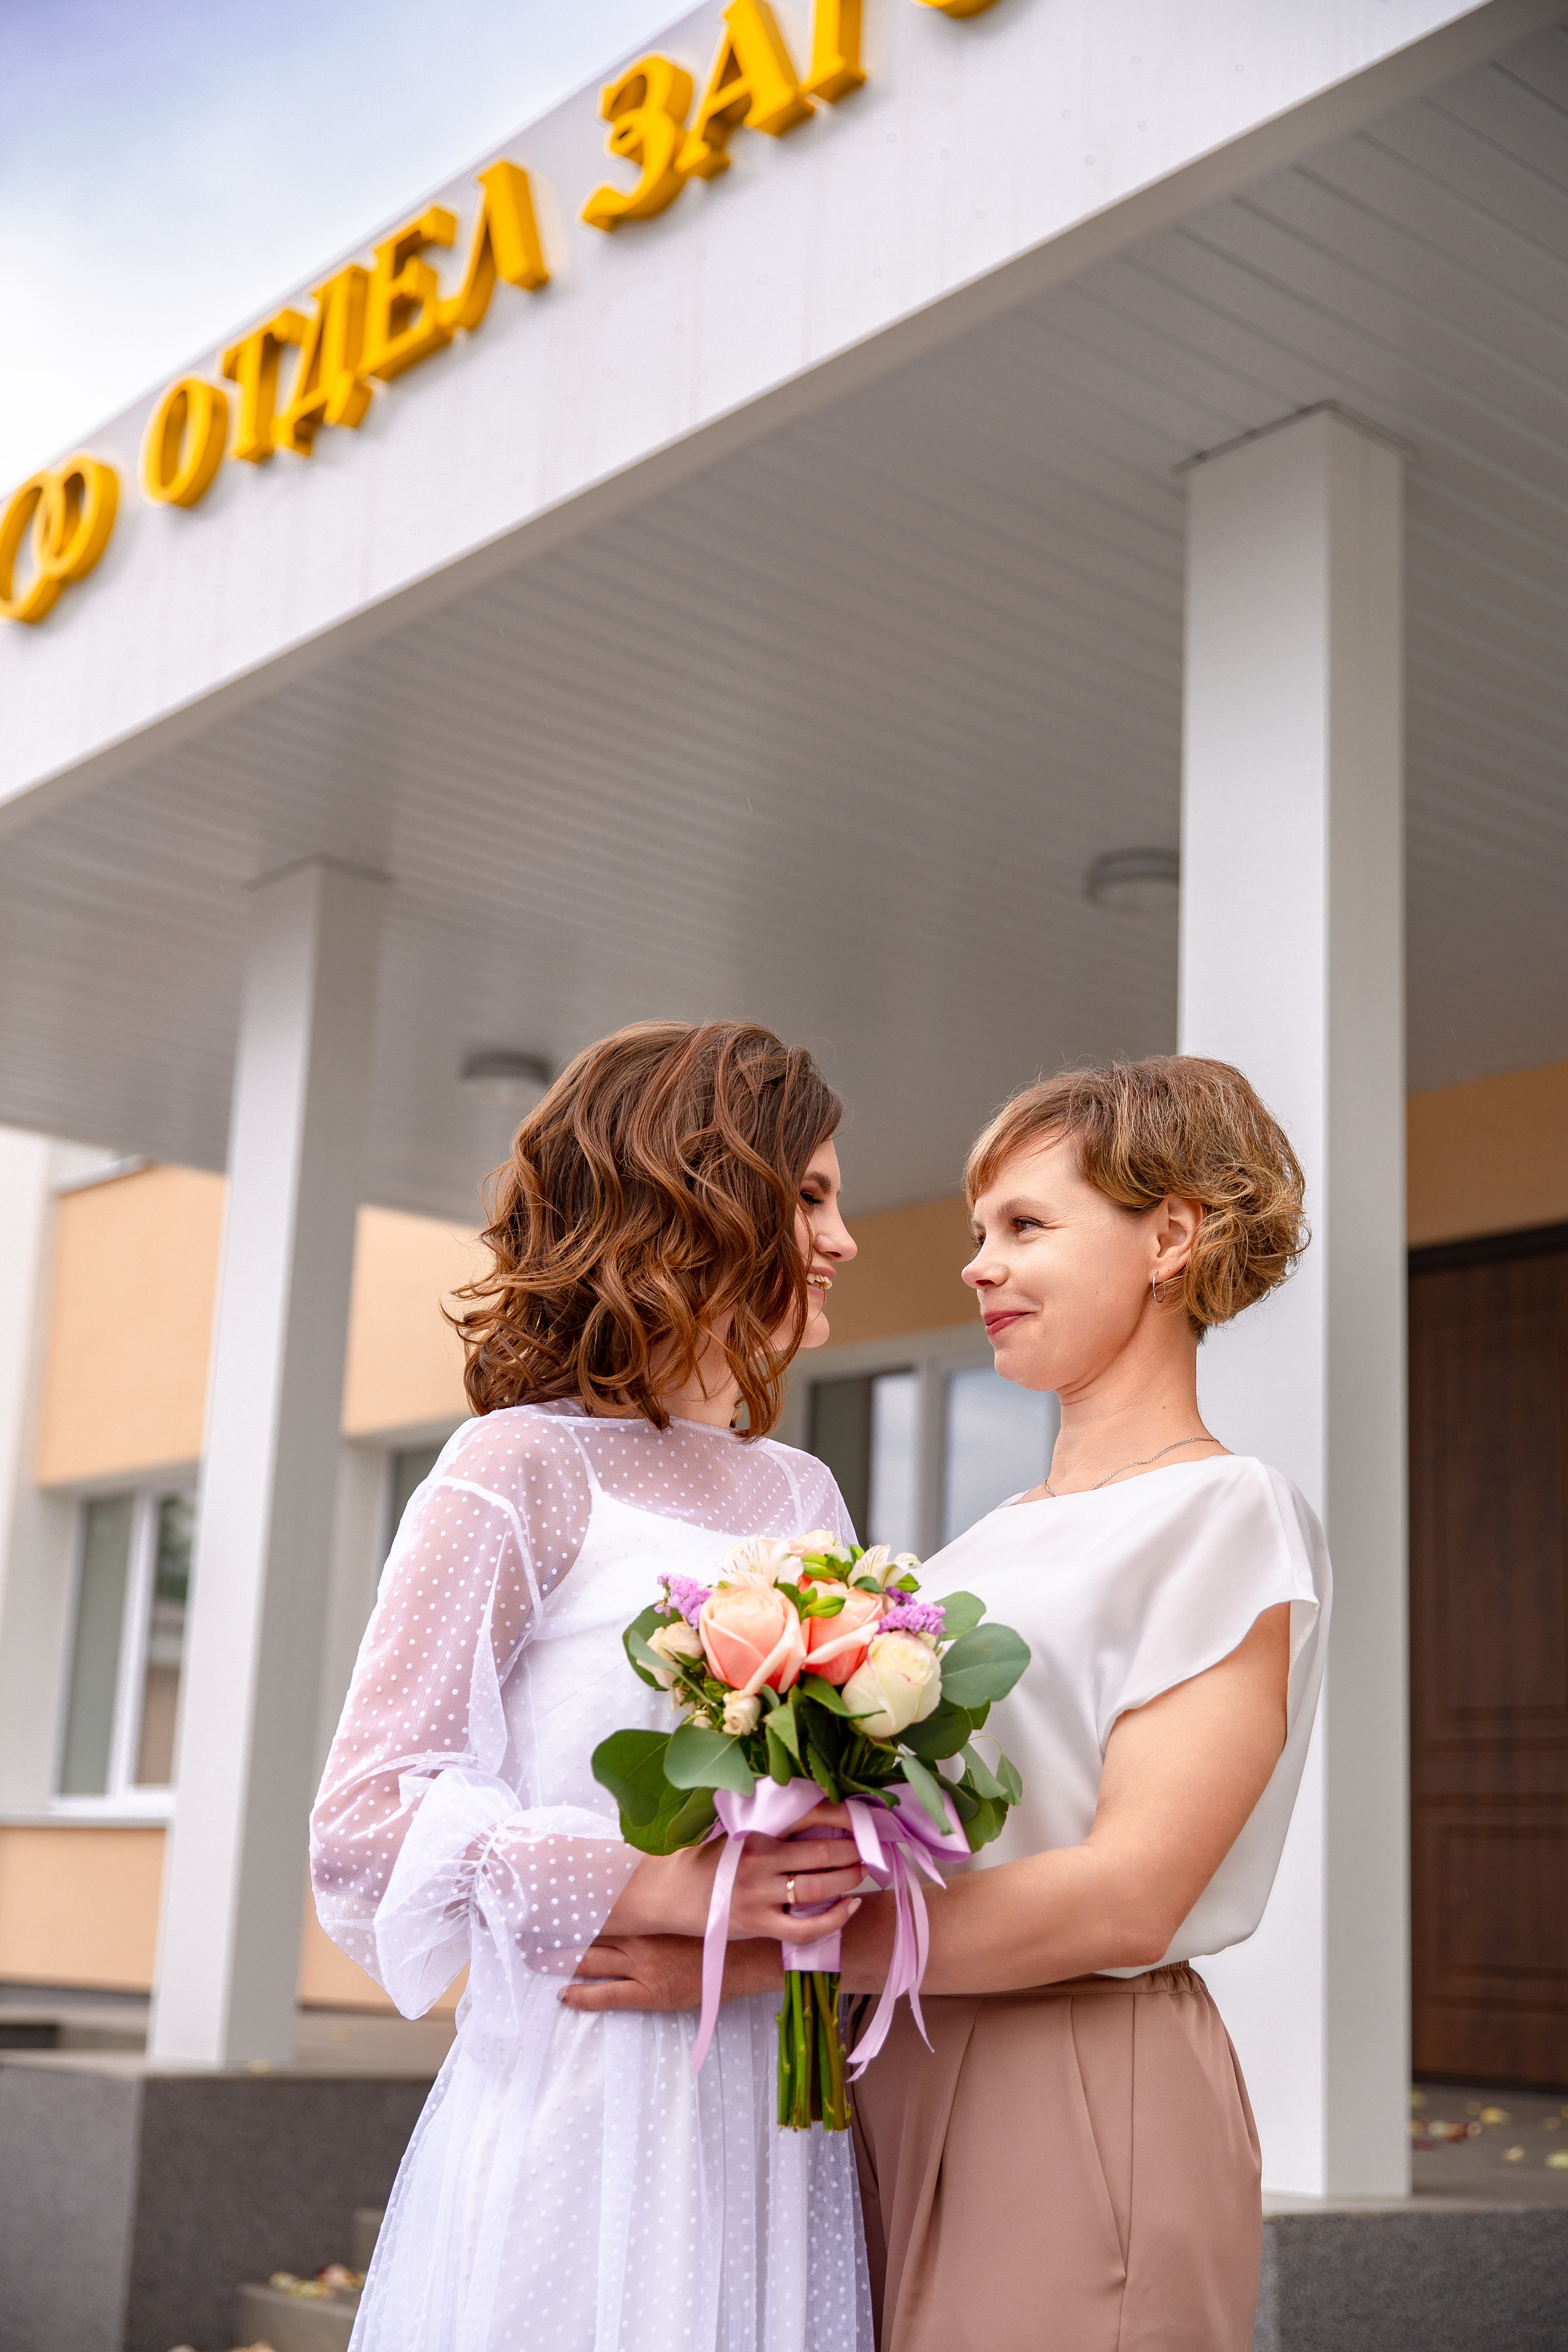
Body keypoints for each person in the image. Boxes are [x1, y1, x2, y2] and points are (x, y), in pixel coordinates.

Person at [567, 1054, 1329, 2352]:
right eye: (980, 1233)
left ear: (1171, 1237)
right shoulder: (977, 1550)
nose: (978, 1267)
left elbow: (1128, 1896)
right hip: (889, 2059)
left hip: (1076, 2065)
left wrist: (749, 1958)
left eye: (1026, 1226)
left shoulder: (1224, 1511)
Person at [310, 1020, 875, 2352]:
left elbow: (838, 1824)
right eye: (808, 1198)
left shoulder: (804, 1493)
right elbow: (365, 1820)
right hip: (588, 2105)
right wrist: (660, 1886)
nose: (843, 1241)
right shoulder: (515, 1468)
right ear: (695, 1197)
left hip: (776, 2116)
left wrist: (773, 1928)